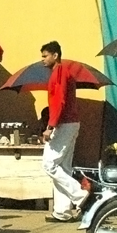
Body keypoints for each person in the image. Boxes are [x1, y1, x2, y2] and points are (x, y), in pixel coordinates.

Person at [40, 41, 88, 223]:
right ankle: (62, 211)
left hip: (64, 124)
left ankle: (81, 196)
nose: (43, 59)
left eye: (45, 56)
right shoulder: (62, 72)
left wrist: (50, 127)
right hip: (70, 123)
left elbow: (59, 101)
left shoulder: (59, 72)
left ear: (55, 55)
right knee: (63, 168)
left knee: (49, 164)